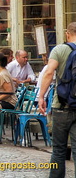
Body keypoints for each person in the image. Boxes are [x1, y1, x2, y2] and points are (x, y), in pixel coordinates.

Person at [38, 22, 76, 178]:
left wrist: (41, 96)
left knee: (59, 149)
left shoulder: (60, 49)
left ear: (67, 33)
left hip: (61, 105)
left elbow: (48, 73)